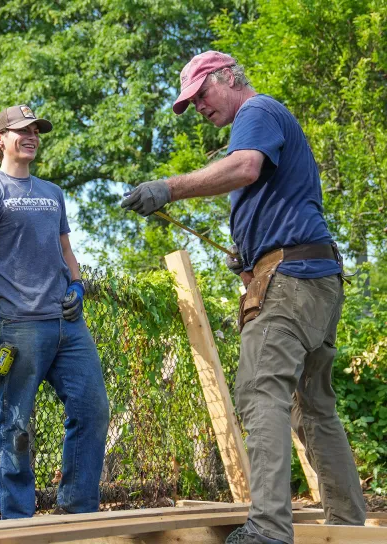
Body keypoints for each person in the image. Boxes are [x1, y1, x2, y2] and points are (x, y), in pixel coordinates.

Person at [121, 51, 366, 544]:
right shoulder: (267, 122)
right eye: (191, 103)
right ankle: (347, 527)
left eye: (202, 94)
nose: (201, 108)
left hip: (293, 280)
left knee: (259, 393)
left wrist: (167, 188)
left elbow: (246, 167)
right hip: (314, 275)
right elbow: (273, 194)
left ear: (229, 77)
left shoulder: (257, 113)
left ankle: (269, 529)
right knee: (313, 406)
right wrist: (251, 260)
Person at [0, 104, 109, 519]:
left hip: (69, 326)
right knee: (15, 425)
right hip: (21, 327)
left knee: (92, 409)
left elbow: (65, 250)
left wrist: (77, 284)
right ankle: (17, 520)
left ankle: (78, 510)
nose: (31, 136)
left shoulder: (52, 193)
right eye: (21, 130)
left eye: (36, 131)